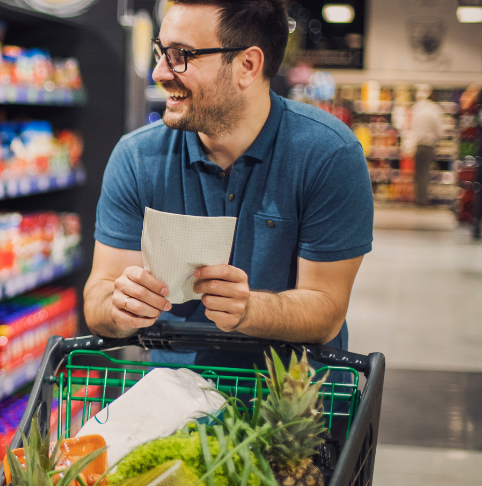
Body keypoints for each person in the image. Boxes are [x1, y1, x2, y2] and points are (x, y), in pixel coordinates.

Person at [83, 0, 374, 367]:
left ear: (247, 66)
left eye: (180, 56)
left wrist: (250, 309)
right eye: (161, 52)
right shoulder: (137, 157)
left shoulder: (328, 155)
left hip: (294, 409)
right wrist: (119, 305)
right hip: (172, 406)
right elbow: (98, 296)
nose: (159, 72)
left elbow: (327, 308)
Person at [410, 84, 443, 207]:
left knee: (418, 173)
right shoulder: (435, 110)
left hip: (418, 145)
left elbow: (412, 128)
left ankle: (418, 198)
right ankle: (423, 200)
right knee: (425, 173)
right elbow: (440, 131)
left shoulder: (417, 108)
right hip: (429, 145)